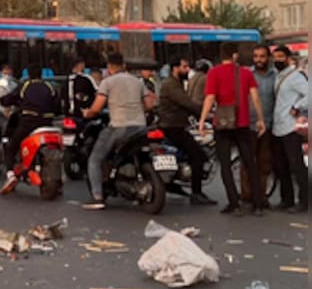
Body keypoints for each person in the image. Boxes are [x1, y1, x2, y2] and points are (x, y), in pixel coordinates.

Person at [198, 42, 267, 216]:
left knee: (225, 165)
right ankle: (257, 204)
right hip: (243, 124)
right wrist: (260, 119)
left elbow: (210, 98)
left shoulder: (214, 73)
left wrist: (202, 120)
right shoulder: (245, 73)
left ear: (222, 56)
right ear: (235, 55)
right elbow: (255, 98)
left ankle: (233, 203)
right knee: (250, 163)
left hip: (222, 124)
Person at [81, 52, 156, 210]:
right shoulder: (137, 81)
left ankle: (97, 197)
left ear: (109, 67)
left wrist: (87, 113)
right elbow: (149, 104)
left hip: (119, 126)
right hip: (140, 126)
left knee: (95, 159)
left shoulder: (107, 82)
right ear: (124, 65)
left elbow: (97, 107)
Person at [157, 56, 216, 206]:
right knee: (198, 156)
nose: (187, 70)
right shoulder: (171, 84)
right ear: (175, 68)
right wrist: (206, 114)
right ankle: (196, 193)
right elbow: (187, 103)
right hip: (173, 127)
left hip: (176, 124)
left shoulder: (177, 83)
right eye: (183, 67)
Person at [0, 64, 61, 194]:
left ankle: (10, 175)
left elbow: (8, 99)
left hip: (29, 122)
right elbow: (58, 106)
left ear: (28, 75)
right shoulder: (49, 87)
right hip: (48, 122)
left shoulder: (25, 86)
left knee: (11, 146)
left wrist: (4, 100)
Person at [270, 45, 308, 213]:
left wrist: (297, 106)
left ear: (288, 58)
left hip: (290, 127)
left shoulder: (295, 76)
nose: (277, 59)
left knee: (297, 166)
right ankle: (287, 200)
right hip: (277, 127)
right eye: (275, 56)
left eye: (280, 56)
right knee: (280, 166)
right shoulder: (277, 77)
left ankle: (304, 201)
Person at [242, 44, 277, 208]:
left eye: (262, 56)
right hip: (248, 124)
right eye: (256, 56)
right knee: (247, 162)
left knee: (265, 163)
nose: (259, 60)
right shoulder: (247, 74)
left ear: (268, 58)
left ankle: (261, 196)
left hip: (269, 125)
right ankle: (247, 195)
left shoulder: (275, 76)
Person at [65, 57, 98, 123]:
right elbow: (97, 93)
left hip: (69, 114)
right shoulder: (87, 78)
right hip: (85, 114)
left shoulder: (66, 80)